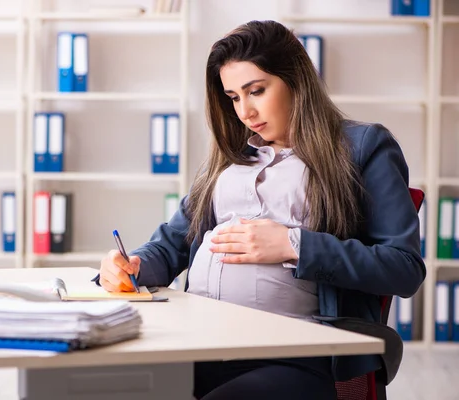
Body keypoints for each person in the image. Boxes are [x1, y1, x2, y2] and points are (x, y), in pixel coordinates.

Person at [97, 19, 426, 400]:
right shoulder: (228, 158)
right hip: (195, 344)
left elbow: (403, 268)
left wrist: (293, 244)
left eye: (256, 91)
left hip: (294, 356)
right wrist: (130, 265)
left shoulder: (361, 147)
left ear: (296, 81)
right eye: (234, 97)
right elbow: (169, 246)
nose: (245, 111)